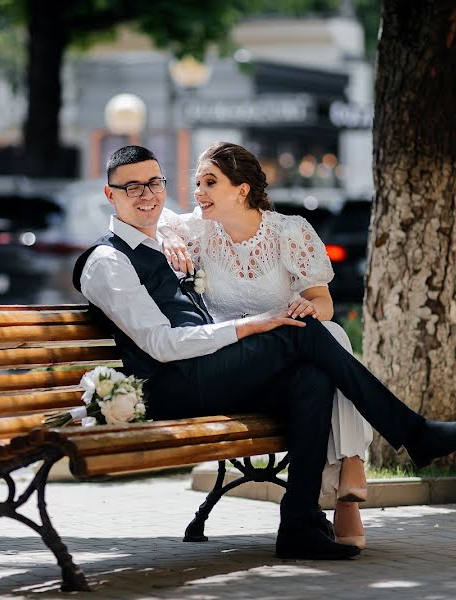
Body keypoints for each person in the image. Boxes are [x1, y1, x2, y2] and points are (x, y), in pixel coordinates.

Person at [74, 145, 456, 561]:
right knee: (300, 330)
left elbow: (179, 229)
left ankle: (299, 525)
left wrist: (170, 238)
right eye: (132, 187)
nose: (147, 194)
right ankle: (413, 433)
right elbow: (161, 344)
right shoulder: (107, 262)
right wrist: (248, 326)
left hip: (207, 374)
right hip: (176, 384)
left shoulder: (166, 239)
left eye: (154, 183)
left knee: (312, 377)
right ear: (111, 195)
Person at [158, 141, 371, 548]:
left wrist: (305, 309)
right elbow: (160, 219)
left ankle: (333, 503)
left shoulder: (289, 232)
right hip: (236, 366)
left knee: (326, 342)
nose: (198, 192)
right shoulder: (199, 231)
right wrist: (169, 234)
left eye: (209, 182)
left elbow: (323, 302)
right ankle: (352, 465)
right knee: (326, 348)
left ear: (241, 190)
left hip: (289, 362)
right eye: (197, 183)